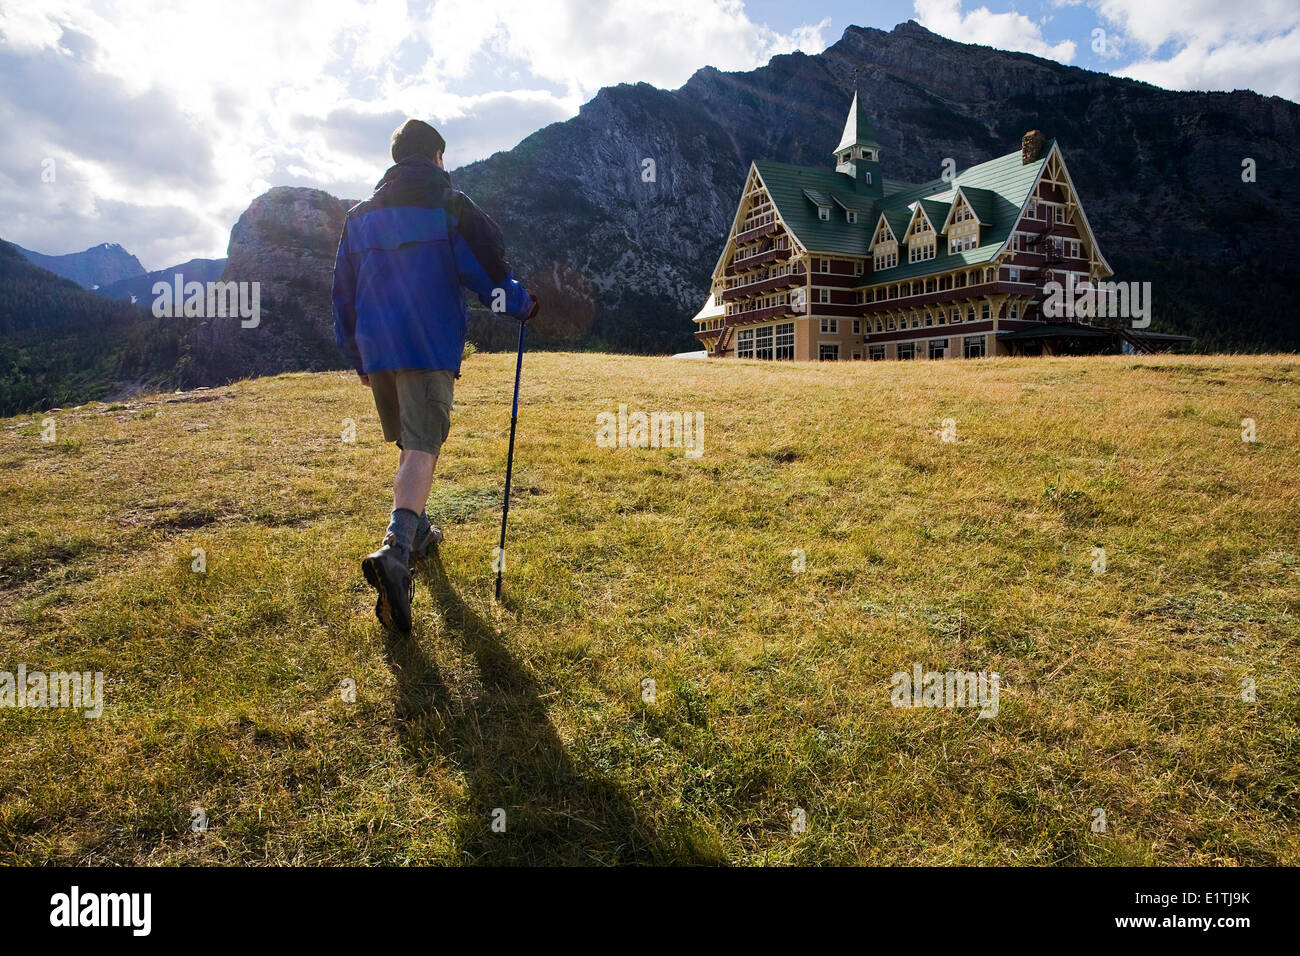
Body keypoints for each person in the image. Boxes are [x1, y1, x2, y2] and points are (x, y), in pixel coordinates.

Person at [332, 118, 538, 633]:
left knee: (410, 443)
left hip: (378, 349)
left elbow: (342, 291)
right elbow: (486, 273)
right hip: (426, 345)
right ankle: (396, 550)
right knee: (423, 447)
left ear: (396, 158)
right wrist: (523, 305)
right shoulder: (448, 206)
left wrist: (358, 357)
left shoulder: (358, 218)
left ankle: (418, 531)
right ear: (438, 157)